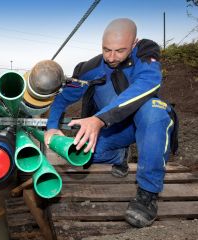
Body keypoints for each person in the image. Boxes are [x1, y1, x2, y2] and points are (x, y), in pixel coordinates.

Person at [44, 18, 178, 228]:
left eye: (119, 50)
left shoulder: (144, 55)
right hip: (116, 129)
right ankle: (119, 154)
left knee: (155, 109)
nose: (111, 57)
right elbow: (62, 98)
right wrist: (52, 126)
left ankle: (148, 193)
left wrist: (99, 119)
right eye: (106, 50)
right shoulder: (92, 68)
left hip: (144, 125)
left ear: (134, 43)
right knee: (78, 153)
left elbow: (147, 84)